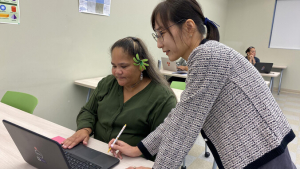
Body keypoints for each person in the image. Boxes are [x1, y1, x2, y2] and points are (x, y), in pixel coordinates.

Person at [108, 1, 296, 169]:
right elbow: (179, 118)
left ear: (188, 27)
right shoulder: (208, 53)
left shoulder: (207, 55)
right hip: (264, 151)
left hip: (262, 157)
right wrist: (139, 149)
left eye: (161, 33)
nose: (158, 43)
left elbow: (183, 129)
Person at [62, 37, 177, 161]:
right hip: (97, 152)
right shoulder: (107, 83)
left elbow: (165, 143)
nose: (117, 72)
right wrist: (84, 129)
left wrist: (137, 151)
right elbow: (88, 111)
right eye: (114, 66)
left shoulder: (162, 98)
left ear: (142, 66)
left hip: (132, 161)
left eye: (123, 66)